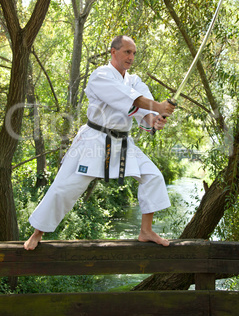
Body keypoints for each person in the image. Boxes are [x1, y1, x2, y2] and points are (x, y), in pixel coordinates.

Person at [24, 35, 175, 251]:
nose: (131, 57)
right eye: (127, 52)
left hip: (123, 142)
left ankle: (146, 231)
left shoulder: (134, 80)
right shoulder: (100, 75)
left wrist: (155, 119)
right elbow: (129, 99)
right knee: (64, 187)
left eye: (133, 53)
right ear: (113, 52)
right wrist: (158, 106)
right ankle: (38, 232)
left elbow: (146, 113)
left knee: (152, 176)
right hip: (94, 140)